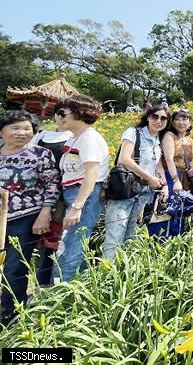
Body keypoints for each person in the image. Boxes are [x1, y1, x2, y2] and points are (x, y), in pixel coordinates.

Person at [0, 111, 60, 325]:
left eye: (26, 129)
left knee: (15, 267)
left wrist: (45, 214)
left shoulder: (40, 154)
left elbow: (52, 185)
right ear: (2, 131)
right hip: (0, 217)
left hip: (25, 217)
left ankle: (9, 315)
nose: (21, 133)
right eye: (15, 128)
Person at [52, 95, 110, 282]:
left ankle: (60, 293)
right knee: (74, 241)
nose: (59, 117)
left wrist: (77, 206)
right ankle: (76, 284)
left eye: (63, 113)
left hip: (83, 195)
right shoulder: (76, 138)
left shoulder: (89, 139)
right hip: (77, 194)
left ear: (78, 113)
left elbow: (91, 174)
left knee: (72, 243)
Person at [102, 105, 169, 260]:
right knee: (115, 234)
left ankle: (123, 271)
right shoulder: (133, 133)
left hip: (144, 191)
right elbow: (124, 159)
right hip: (125, 188)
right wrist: (149, 178)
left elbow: (157, 164)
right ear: (147, 117)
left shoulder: (157, 140)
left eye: (163, 118)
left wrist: (163, 185)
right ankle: (106, 275)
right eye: (155, 117)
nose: (158, 121)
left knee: (131, 233)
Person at [29, 101, 73, 286]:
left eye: (67, 114)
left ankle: (46, 282)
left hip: (61, 194)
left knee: (53, 239)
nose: (63, 117)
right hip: (36, 192)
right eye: (60, 113)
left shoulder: (74, 136)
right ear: (54, 115)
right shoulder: (42, 135)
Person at [150, 109, 193, 237]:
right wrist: (176, 181)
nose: (181, 122)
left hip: (184, 178)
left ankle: (177, 238)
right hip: (170, 176)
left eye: (185, 119)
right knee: (165, 208)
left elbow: (189, 161)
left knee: (180, 210)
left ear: (190, 122)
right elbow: (169, 159)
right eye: (177, 119)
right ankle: (160, 239)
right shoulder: (169, 136)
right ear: (172, 122)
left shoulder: (189, 140)